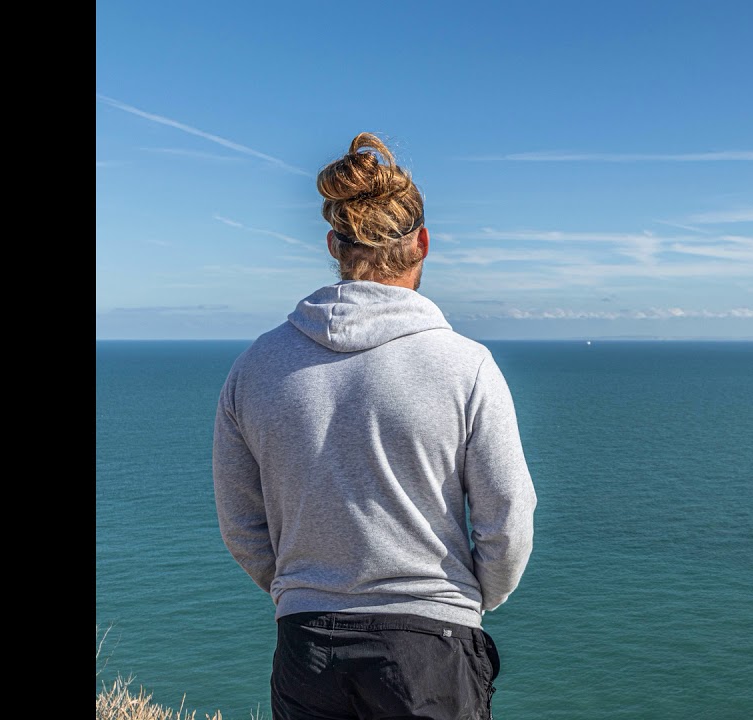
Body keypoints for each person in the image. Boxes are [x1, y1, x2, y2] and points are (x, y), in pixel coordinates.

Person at [212, 132, 537, 720]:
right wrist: (467, 600)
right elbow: (507, 517)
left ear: (334, 243)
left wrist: (299, 586)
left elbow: (241, 524)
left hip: (306, 647)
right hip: (429, 650)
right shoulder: (467, 366)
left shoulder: (254, 368)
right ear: (424, 244)